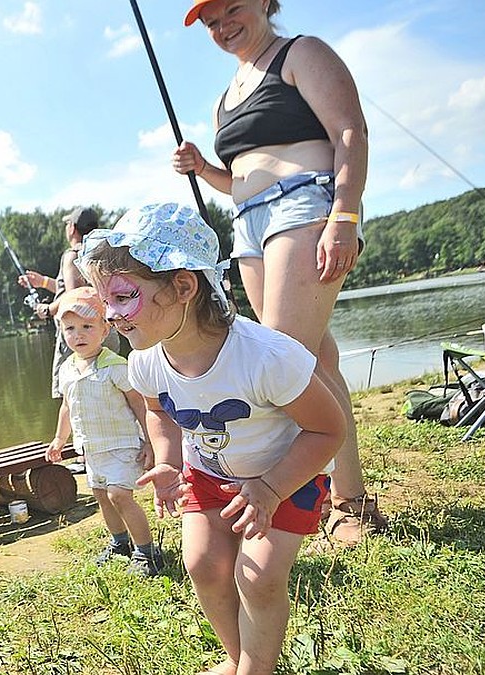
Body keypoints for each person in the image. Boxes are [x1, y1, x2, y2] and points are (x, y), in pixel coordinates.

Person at [78, 203, 345, 674]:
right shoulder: (146, 361)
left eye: (123, 297)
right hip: (207, 475)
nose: (113, 316)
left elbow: (329, 428)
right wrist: (168, 458)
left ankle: (256, 669)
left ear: (183, 286)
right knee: (202, 564)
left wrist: (270, 488)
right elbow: (159, 411)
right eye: (107, 303)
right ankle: (237, 656)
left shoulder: (265, 357)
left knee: (257, 576)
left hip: (285, 476)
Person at [172, 0, 387, 545]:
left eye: (233, 10)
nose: (223, 27)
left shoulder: (300, 52)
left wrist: (345, 213)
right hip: (247, 224)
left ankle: (300, 500)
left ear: (266, 3)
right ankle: (352, 499)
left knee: (280, 358)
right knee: (314, 359)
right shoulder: (226, 98)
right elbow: (240, 177)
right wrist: (206, 170)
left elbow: (349, 131)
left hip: (305, 204)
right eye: (211, 22)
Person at [43, 287, 162, 576]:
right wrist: (60, 438)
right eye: (70, 329)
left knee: (120, 495)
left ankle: (146, 551)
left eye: (87, 327)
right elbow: (67, 407)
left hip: (121, 444)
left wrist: (150, 441)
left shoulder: (115, 366)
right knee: (101, 494)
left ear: (105, 328)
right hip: (91, 447)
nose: (79, 335)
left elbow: (139, 403)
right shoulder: (68, 369)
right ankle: (120, 542)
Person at [17, 206, 106, 400]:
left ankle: (70, 431)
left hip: (78, 334)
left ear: (72, 228)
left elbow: (76, 297)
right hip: (101, 330)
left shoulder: (72, 255)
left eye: (67, 224)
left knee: (71, 393)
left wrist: (47, 310)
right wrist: (43, 282)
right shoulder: (99, 253)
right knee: (104, 388)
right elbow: (86, 291)